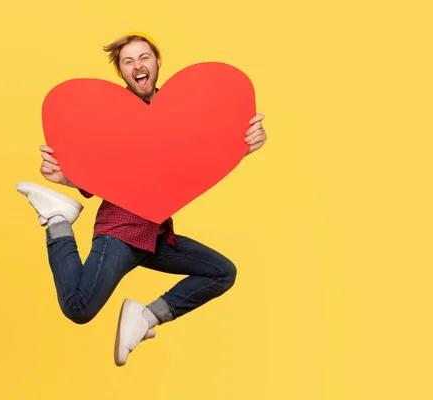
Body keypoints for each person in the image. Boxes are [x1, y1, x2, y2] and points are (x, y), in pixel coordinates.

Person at [16, 32, 267, 366]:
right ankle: (57, 218)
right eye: (128, 61)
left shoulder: (183, 112)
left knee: (221, 272)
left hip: (156, 233)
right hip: (121, 231)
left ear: (157, 62)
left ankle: (146, 317)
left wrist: (244, 145)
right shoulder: (110, 115)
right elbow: (97, 171)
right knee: (78, 308)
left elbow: (200, 155)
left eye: (144, 57)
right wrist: (65, 177)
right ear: (121, 73)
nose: (138, 65)